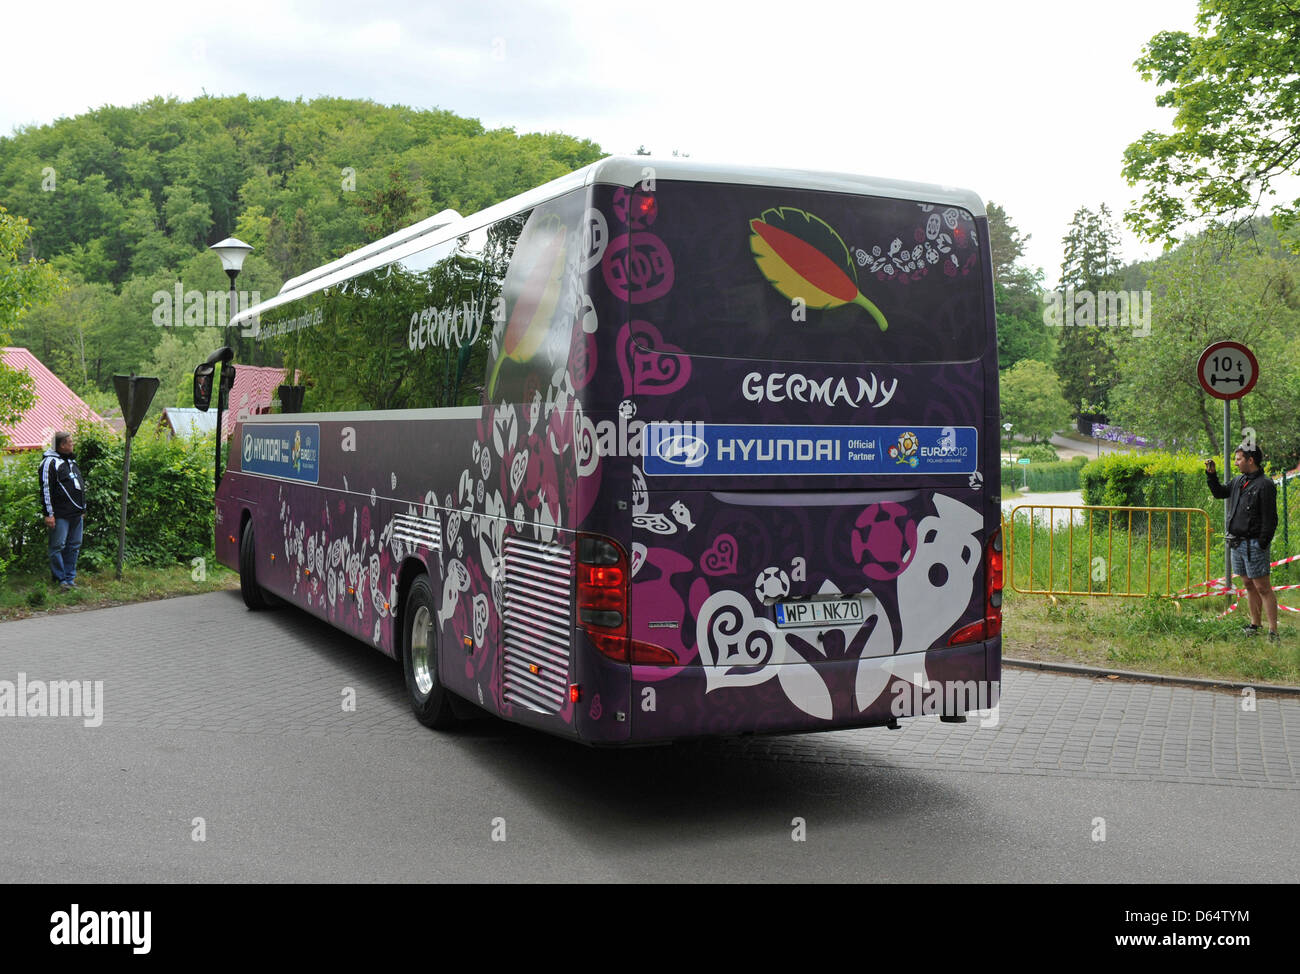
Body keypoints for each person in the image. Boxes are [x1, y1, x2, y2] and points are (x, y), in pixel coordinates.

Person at [1205, 445, 1279, 642]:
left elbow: (1271, 519)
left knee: (1263, 587)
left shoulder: (1265, 485)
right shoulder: (1239, 481)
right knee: (1248, 584)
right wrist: (1211, 476)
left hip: (1254, 544)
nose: (1236, 463)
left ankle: (1273, 631)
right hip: (1236, 544)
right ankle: (1255, 624)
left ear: (1250, 460)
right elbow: (1220, 493)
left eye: (1238, 459)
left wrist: (1262, 543)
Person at [38, 431, 86, 590]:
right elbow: (46, 489)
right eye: (70, 442)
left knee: (74, 546)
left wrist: (82, 507)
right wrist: (48, 514)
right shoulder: (49, 462)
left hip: (76, 514)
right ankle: (60, 580)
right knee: (57, 546)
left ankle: (70, 579)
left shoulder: (70, 462)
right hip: (60, 515)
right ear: (62, 445)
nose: (73, 444)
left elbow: (78, 486)